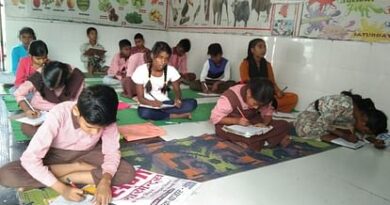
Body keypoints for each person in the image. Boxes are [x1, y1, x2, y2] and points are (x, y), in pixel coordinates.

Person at [0, 85, 135, 205]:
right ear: (76, 111)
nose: (94, 133)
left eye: (101, 128)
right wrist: (63, 189)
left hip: (89, 152)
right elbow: (30, 159)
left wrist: (105, 181)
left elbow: (111, 152)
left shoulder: (106, 117)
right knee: (6, 175)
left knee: (127, 172)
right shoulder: (59, 113)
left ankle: (58, 178)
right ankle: (76, 168)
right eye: (89, 126)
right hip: (56, 153)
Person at [210, 78, 291, 151]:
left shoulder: (263, 98)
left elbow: (268, 114)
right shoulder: (230, 97)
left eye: (260, 105)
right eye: (255, 103)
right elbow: (215, 118)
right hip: (230, 125)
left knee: (285, 124)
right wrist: (236, 121)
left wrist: (264, 124)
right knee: (222, 130)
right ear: (249, 93)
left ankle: (258, 141)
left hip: (252, 123)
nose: (256, 107)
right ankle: (270, 140)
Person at [14, 61, 85, 137]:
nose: (50, 90)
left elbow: (78, 104)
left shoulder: (77, 79)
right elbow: (19, 93)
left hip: (64, 115)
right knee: (28, 129)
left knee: (80, 130)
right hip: (39, 114)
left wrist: (62, 115)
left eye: (55, 87)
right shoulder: (40, 73)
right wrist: (28, 110)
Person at [132, 41, 198, 120]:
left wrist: (178, 99)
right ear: (152, 56)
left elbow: (177, 90)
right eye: (160, 57)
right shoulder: (141, 70)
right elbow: (140, 98)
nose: (163, 62)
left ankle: (161, 114)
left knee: (192, 103)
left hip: (165, 103)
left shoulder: (171, 70)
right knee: (145, 113)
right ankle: (177, 116)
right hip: (148, 105)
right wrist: (152, 103)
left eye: (166, 59)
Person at [295, 91, 388, 143]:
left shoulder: (357, 116)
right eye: (365, 130)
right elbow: (325, 123)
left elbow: (361, 134)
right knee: (305, 131)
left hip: (328, 120)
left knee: (351, 131)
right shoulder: (345, 104)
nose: (364, 132)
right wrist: (344, 136)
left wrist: (374, 141)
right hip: (313, 114)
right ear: (363, 121)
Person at [240, 38, 298, 113]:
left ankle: (265, 105)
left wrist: (278, 91)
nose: (263, 50)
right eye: (260, 47)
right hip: (252, 93)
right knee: (251, 98)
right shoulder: (245, 63)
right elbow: (245, 81)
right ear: (252, 50)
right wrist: (259, 92)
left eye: (265, 47)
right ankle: (265, 105)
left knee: (293, 97)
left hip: (266, 93)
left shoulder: (267, 64)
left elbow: (272, 81)